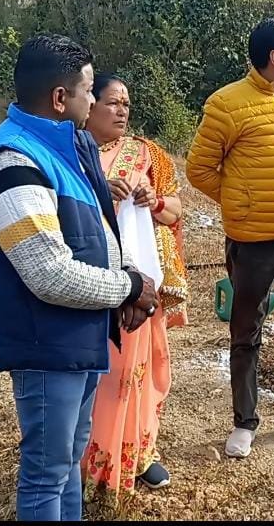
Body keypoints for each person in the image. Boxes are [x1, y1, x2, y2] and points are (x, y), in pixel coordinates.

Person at [0, 34, 158, 521]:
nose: (94, 101)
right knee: (46, 473)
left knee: (68, 460)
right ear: (59, 97)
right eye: (89, 91)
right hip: (46, 344)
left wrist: (125, 278)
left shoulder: (66, 149)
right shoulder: (13, 161)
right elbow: (49, 274)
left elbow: (97, 229)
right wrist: (129, 287)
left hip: (77, 335)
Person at [186, 18, 274, 459]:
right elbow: (199, 169)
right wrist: (242, 202)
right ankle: (244, 421)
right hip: (253, 241)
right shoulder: (226, 104)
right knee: (246, 331)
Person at [81, 73, 189, 494]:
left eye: (126, 103)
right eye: (113, 102)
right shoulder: (72, 152)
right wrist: (98, 193)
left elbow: (175, 210)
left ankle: (138, 453)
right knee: (100, 375)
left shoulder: (148, 154)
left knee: (137, 372)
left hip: (140, 286)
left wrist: (154, 201)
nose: (122, 110)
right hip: (92, 281)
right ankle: (87, 461)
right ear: (88, 103)